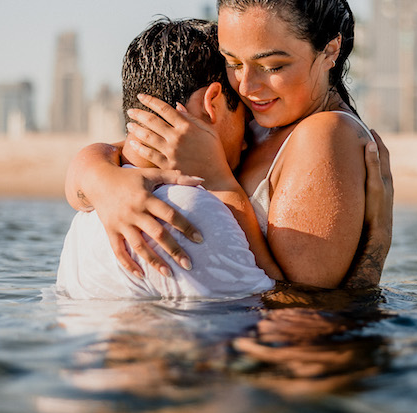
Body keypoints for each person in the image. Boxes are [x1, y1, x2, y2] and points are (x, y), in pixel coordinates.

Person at [66, 0, 392, 290]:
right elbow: (125, 151)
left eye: (273, 66)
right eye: (233, 63)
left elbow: (300, 314)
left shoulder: (327, 134)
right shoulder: (258, 119)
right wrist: (104, 183)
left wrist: (220, 181)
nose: (247, 86)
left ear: (329, 50)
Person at [58, 18, 282, 298]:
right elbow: (284, 309)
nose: (248, 141)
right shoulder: (193, 212)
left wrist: (93, 164)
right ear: (211, 104)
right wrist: (224, 184)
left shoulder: (85, 219)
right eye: (246, 116)